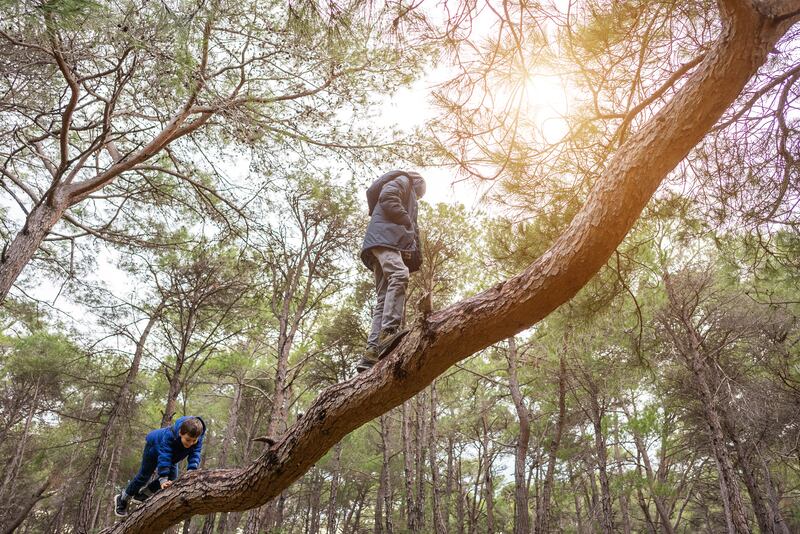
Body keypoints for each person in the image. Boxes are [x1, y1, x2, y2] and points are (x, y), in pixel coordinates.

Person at [356, 170, 426, 373]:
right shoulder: (404, 180)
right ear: (419, 184)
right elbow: (388, 197)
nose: (419, 198)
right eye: (420, 194)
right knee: (399, 275)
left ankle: (371, 353)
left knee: (383, 297)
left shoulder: (403, 184)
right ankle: (388, 332)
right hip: (384, 239)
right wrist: (406, 220)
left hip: (379, 242)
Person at [114, 415, 206, 517]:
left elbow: (195, 453)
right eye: (188, 440)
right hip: (154, 448)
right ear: (180, 433)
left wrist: (192, 470)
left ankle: (142, 495)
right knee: (143, 477)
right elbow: (164, 456)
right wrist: (163, 478)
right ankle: (122, 498)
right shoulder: (169, 435)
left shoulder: (197, 437)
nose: (191, 443)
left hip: (172, 456)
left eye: (194, 441)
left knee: (172, 478)